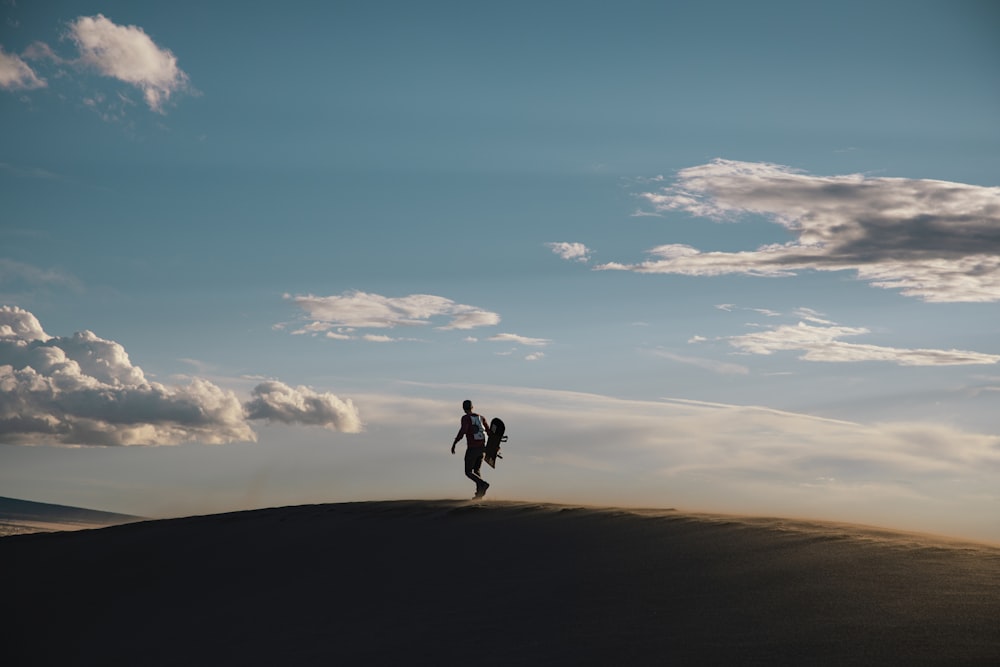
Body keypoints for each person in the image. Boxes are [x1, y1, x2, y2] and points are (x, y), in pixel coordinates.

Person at [451, 399, 491, 499]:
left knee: (468, 472)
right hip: (482, 449)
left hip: (472, 449)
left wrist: (455, 443)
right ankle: (479, 495)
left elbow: (463, 431)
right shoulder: (481, 417)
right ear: (472, 407)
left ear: (463, 408)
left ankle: (483, 484)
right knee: (476, 471)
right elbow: (489, 432)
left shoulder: (465, 418)